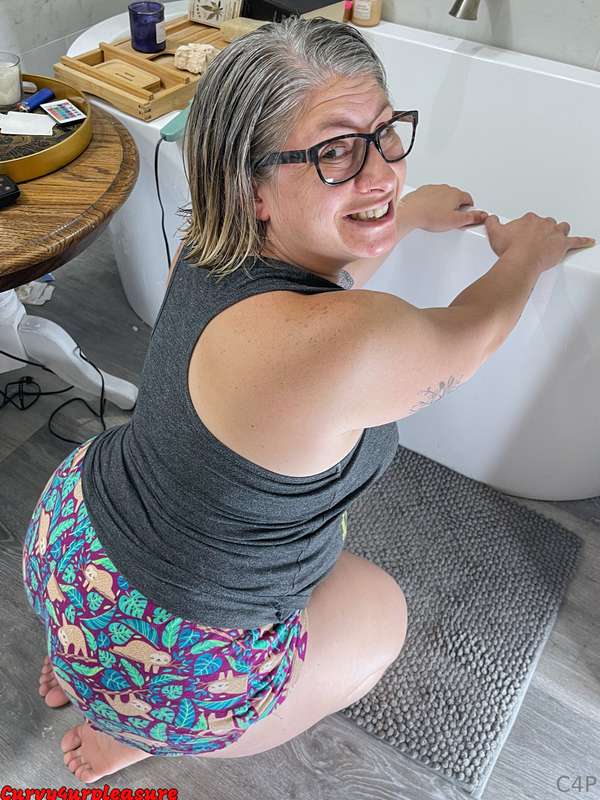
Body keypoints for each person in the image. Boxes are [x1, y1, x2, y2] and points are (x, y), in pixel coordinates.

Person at [22, 15, 595, 784]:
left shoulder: (206, 242)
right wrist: (526, 257)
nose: (382, 174)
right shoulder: (354, 342)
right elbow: (471, 332)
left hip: (71, 539)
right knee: (379, 615)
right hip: (173, 657)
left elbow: (314, 279)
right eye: (336, 152)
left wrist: (399, 216)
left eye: (385, 134)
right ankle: (135, 726)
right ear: (253, 187)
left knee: (126, 619)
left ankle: (88, 668)